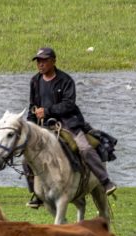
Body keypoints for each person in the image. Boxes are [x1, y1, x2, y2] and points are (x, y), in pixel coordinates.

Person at [26, 46, 116, 208]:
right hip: (45, 126)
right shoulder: (35, 81)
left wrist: (47, 111)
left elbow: (68, 104)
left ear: (53, 61)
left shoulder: (65, 81)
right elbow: (33, 106)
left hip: (69, 123)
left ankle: (105, 181)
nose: (41, 64)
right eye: (38, 61)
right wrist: (30, 126)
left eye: (44, 60)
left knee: (85, 148)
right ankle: (36, 192)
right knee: (28, 155)